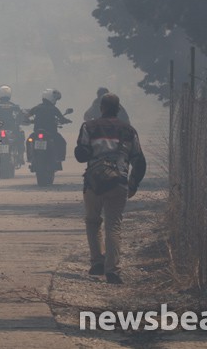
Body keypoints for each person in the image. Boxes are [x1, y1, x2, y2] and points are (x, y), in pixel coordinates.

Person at [74, 93, 146, 284]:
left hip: (93, 183)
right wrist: (133, 184)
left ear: (102, 108)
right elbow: (139, 161)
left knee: (92, 221)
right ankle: (112, 270)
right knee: (113, 225)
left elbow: (81, 154)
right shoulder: (129, 131)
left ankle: (97, 262)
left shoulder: (89, 127)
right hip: (119, 183)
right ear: (118, 108)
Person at [26, 88, 71, 164]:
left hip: (37, 132)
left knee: (29, 141)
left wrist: (28, 120)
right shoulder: (54, 109)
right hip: (51, 133)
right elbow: (62, 118)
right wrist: (67, 120)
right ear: (51, 98)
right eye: (55, 99)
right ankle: (59, 158)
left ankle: (30, 158)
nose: (55, 101)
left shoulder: (37, 108)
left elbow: (27, 116)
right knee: (62, 142)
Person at [0, 85, 26, 164]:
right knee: (21, 137)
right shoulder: (14, 106)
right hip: (12, 130)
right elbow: (20, 117)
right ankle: (20, 156)